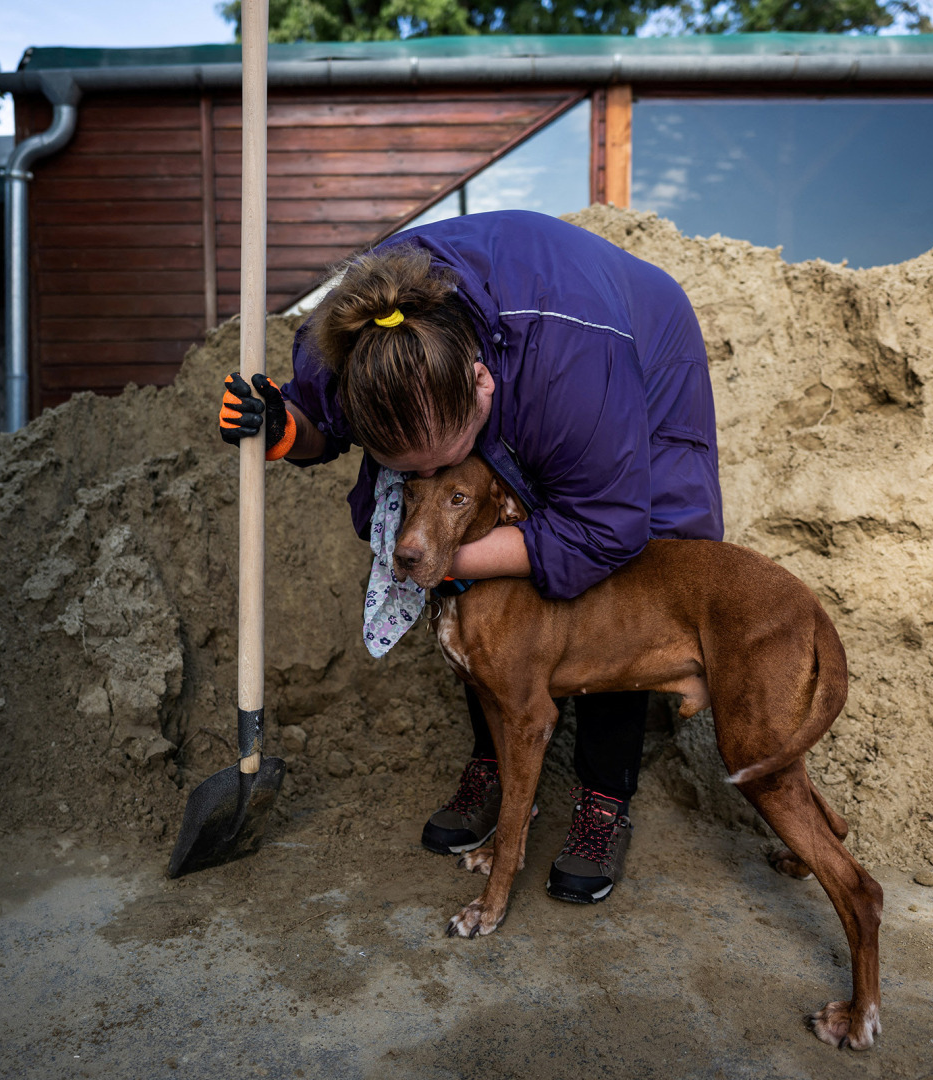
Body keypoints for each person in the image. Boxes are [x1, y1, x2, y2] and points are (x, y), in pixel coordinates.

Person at [217, 210, 722, 905]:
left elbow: (610, 526)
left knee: (622, 586)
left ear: (484, 385)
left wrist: (451, 562)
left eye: (451, 456)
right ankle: (496, 759)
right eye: (411, 470)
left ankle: (603, 796)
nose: (435, 475)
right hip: (516, 354)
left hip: (631, 343)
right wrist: (281, 428)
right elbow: (316, 422)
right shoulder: (343, 345)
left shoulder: (572, 363)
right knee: (471, 586)